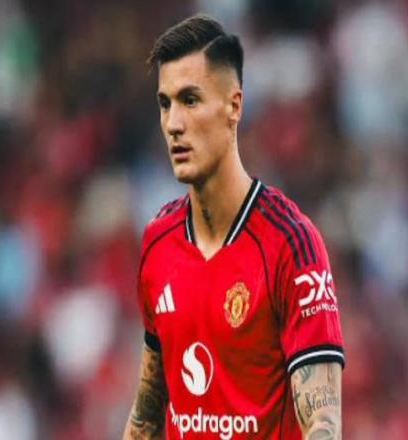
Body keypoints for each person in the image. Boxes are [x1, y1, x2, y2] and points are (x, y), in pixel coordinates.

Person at [124, 14, 344, 439]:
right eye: (165, 104)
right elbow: (147, 417)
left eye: (190, 100)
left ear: (234, 107)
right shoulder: (158, 241)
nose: (173, 124)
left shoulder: (290, 243)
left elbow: (323, 423)